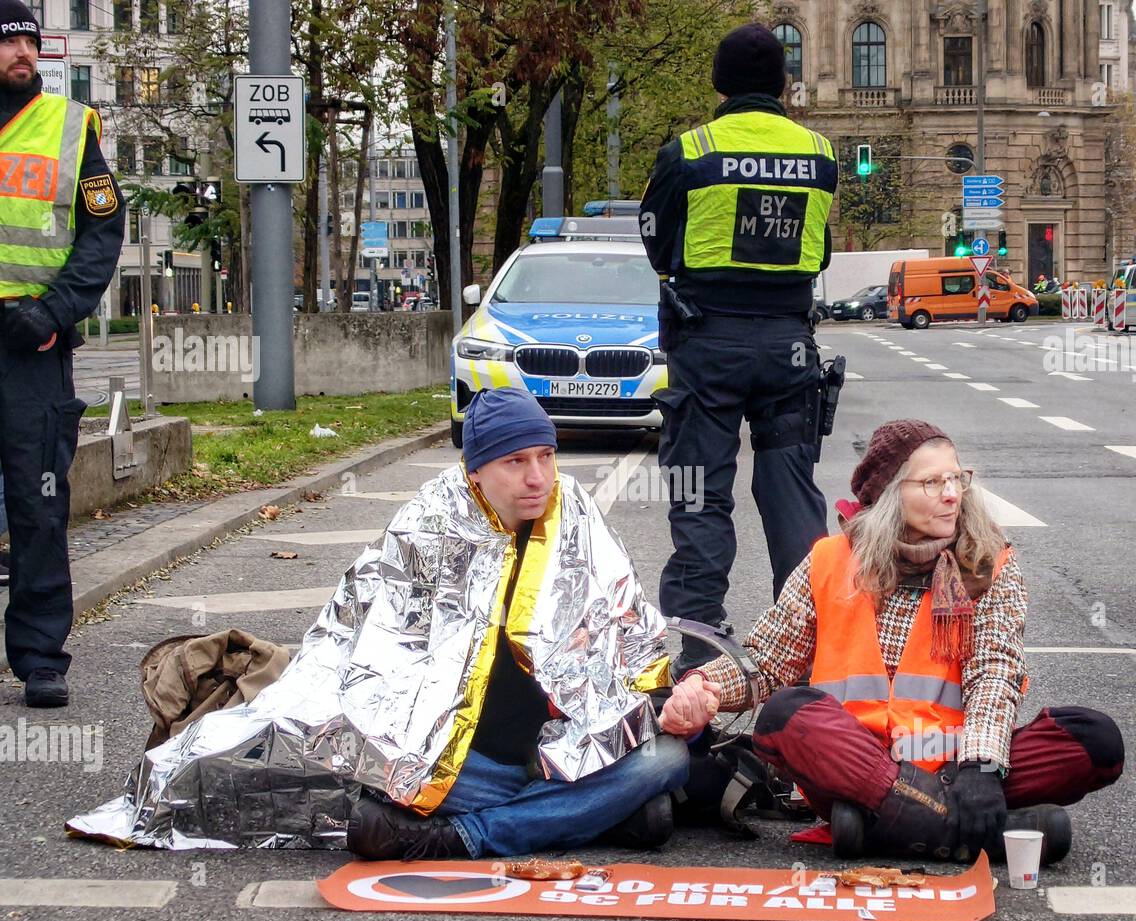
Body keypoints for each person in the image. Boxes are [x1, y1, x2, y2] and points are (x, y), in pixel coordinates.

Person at [69, 389, 693, 857]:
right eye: (515, 462)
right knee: (355, 783)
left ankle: (479, 834)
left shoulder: (575, 522)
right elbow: (360, 653)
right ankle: (575, 818)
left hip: (548, 754)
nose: (537, 477)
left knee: (665, 759)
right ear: (476, 470)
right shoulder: (428, 529)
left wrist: (657, 703)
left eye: (546, 456)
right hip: (450, 764)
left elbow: (625, 640)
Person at [658, 421, 1125, 863]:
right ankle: (975, 831)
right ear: (888, 497)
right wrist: (705, 690)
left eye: (957, 478)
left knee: (1094, 740)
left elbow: (994, 671)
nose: (951, 494)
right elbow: (768, 661)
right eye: (931, 483)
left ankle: (893, 826)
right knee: (786, 715)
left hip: (959, 767)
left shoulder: (987, 563)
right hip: (854, 769)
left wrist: (982, 767)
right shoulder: (831, 560)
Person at [640, 22, 837, 675]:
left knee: (700, 488)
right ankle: (808, 642)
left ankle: (699, 644)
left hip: (708, 344)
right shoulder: (820, 154)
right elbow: (821, 250)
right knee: (790, 492)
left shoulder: (688, 153)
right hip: (789, 346)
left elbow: (658, 244)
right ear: (783, 82)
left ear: (719, 83)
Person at [0, 2, 124, 707]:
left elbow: (102, 230)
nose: (23, 51)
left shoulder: (72, 126)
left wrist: (55, 310)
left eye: (28, 39)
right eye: (9, 40)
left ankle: (41, 657)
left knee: (38, 500)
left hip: (31, 341)